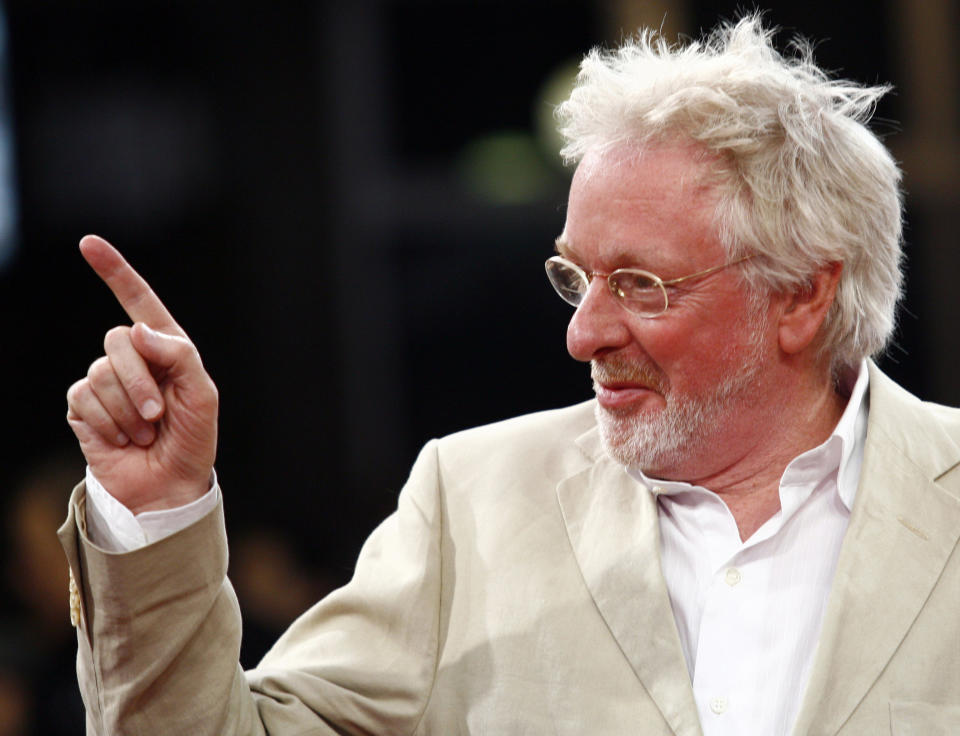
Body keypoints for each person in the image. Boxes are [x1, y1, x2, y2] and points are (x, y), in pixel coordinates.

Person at [59, 15, 960, 736]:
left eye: (641, 285)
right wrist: (160, 509)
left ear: (802, 297)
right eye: (577, 276)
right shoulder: (474, 504)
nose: (583, 334)